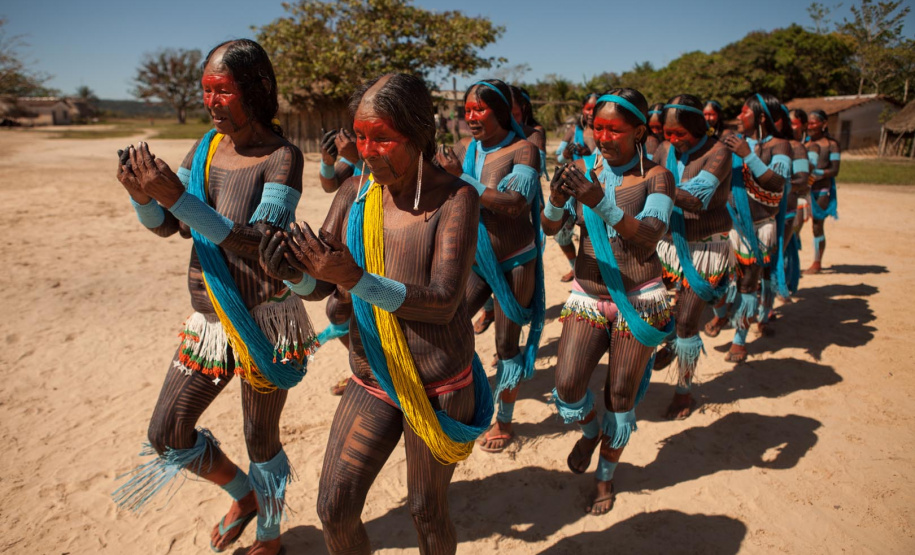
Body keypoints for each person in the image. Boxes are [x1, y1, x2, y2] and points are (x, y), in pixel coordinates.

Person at [261, 73, 493, 554]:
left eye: (382, 138)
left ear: (418, 134)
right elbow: (324, 281)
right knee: (334, 507)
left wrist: (356, 279)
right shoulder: (355, 194)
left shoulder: (456, 199)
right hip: (374, 377)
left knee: (427, 511)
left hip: (439, 386)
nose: (367, 150)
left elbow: (445, 300)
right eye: (360, 137)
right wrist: (290, 272)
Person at [112, 39, 315, 555]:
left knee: (260, 440)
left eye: (222, 91)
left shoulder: (281, 157)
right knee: (167, 433)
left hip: (265, 324)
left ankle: (269, 538)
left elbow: (258, 241)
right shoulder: (203, 149)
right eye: (206, 91)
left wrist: (174, 197)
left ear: (256, 91)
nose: (212, 102)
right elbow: (171, 227)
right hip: (209, 324)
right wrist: (142, 196)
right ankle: (243, 496)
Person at [543, 88, 675, 514]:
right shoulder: (580, 168)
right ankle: (588, 430)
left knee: (621, 395)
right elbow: (550, 227)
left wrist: (596, 199)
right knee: (566, 385)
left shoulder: (657, 177)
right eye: (597, 127)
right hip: (588, 294)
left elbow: (650, 234)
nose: (603, 136)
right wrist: (557, 199)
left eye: (614, 129)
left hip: (640, 298)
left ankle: (605, 479)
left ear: (639, 131)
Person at [437, 78, 545, 454]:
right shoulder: (469, 150)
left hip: (516, 261)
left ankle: (504, 420)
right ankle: (463, 402)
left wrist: (459, 178)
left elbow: (515, 201)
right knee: (447, 323)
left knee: (505, 345)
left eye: (478, 110)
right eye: (467, 111)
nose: (470, 117)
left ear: (499, 111)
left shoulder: (524, 151)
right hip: (478, 258)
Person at [652, 94, 733, 419]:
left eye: (678, 134)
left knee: (687, 324)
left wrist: (648, 186)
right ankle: (671, 341)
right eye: (667, 133)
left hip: (706, 251)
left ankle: (684, 392)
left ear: (698, 127)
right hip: (668, 245)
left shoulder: (719, 152)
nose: (671, 140)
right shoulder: (664, 149)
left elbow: (698, 197)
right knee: (661, 313)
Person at [705, 93, 791, 362]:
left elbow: (776, 183)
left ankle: (740, 338)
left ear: (762, 117)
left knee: (747, 285)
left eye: (745, 112)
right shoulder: (731, 141)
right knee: (712, 279)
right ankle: (721, 316)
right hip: (727, 224)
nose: (739, 116)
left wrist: (747, 155)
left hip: (758, 229)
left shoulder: (782, 146)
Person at [804, 109, 840, 274]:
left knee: (817, 225)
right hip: (803, 190)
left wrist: (817, 174)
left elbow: (834, 170)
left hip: (821, 190)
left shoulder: (831, 145)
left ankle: (817, 262)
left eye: (813, 123)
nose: (809, 126)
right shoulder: (804, 143)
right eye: (808, 123)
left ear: (823, 124)